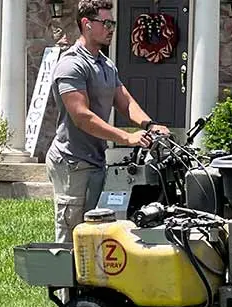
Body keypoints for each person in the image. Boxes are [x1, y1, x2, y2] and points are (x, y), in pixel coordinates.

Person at [46, 0, 170, 247]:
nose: (111, 28)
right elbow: (82, 116)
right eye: (106, 23)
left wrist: (148, 125)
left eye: (112, 23)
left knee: (94, 231)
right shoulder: (71, 64)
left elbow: (123, 100)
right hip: (72, 162)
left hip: (95, 158)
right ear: (87, 24)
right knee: (72, 235)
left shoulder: (105, 63)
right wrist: (126, 138)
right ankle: (64, 287)